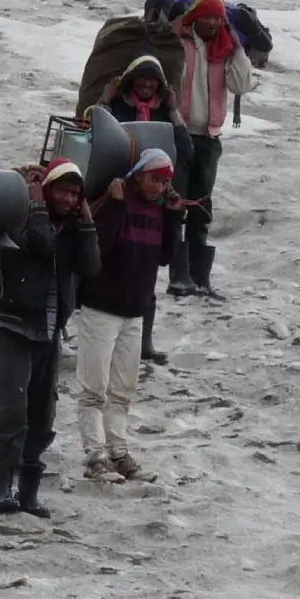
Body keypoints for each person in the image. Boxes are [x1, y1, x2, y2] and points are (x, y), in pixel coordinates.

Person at [0, 159, 100, 518]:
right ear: (45, 190)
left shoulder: (70, 228)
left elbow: (91, 266)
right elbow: (39, 244)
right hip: (13, 325)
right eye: (62, 191)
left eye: (74, 193)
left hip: (49, 331)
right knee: (12, 410)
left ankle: (28, 494)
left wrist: (86, 222)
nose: (68, 199)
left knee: (42, 414)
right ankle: (2, 489)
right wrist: (35, 204)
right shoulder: (19, 219)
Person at [80, 150, 183, 481]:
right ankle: (96, 457)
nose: (159, 186)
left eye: (165, 181)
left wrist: (172, 216)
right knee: (94, 387)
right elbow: (100, 246)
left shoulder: (157, 210)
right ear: (139, 175)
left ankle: (119, 452)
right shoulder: (117, 199)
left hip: (134, 311)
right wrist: (114, 204)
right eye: (155, 178)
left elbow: (166, 256)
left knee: (123, 389)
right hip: (100, 307)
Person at [167, 0, 258, 301]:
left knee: (201, 208)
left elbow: (241, 84)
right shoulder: (179, 42)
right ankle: (178, 278)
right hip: (177, 133)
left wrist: (236, 50)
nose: (213, 23)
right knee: (176, 204)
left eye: (218, 18)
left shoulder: (225, 48)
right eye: (207, 16)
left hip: (208, 137)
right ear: (194, 15)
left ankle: (199, 278)